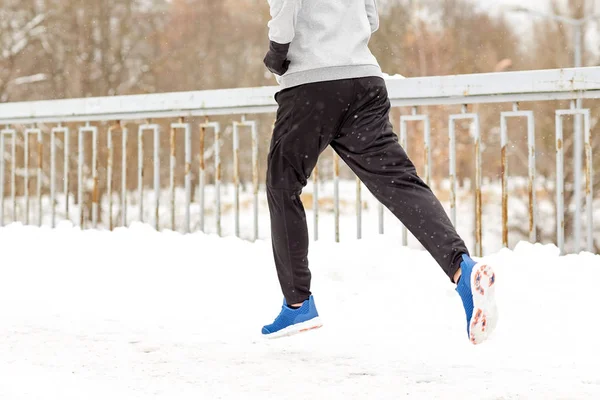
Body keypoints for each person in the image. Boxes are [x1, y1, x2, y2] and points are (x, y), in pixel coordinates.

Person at [261, 0, 498, 345]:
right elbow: (371, 18)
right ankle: (462, 269)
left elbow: (285, 15)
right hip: (364, 82)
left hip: (312, 85)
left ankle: (298, 303)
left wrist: (277, 53)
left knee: (282, 186)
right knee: (399, 182)